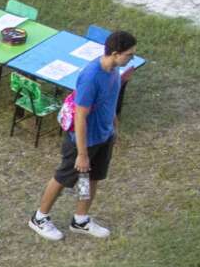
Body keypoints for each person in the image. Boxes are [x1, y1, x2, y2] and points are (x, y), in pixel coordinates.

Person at [30, 30, 137, 241]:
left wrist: (114, 127)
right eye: (129, 54)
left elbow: (109, 101)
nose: (131, 58)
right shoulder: (91, 77)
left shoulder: (114, 70)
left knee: (90, 178)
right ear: (115, 53)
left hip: (104, 136)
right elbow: (80, 116)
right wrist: (82, 153)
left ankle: (80, 219)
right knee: (63, 178)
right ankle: (39, 218)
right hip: (83, 142)